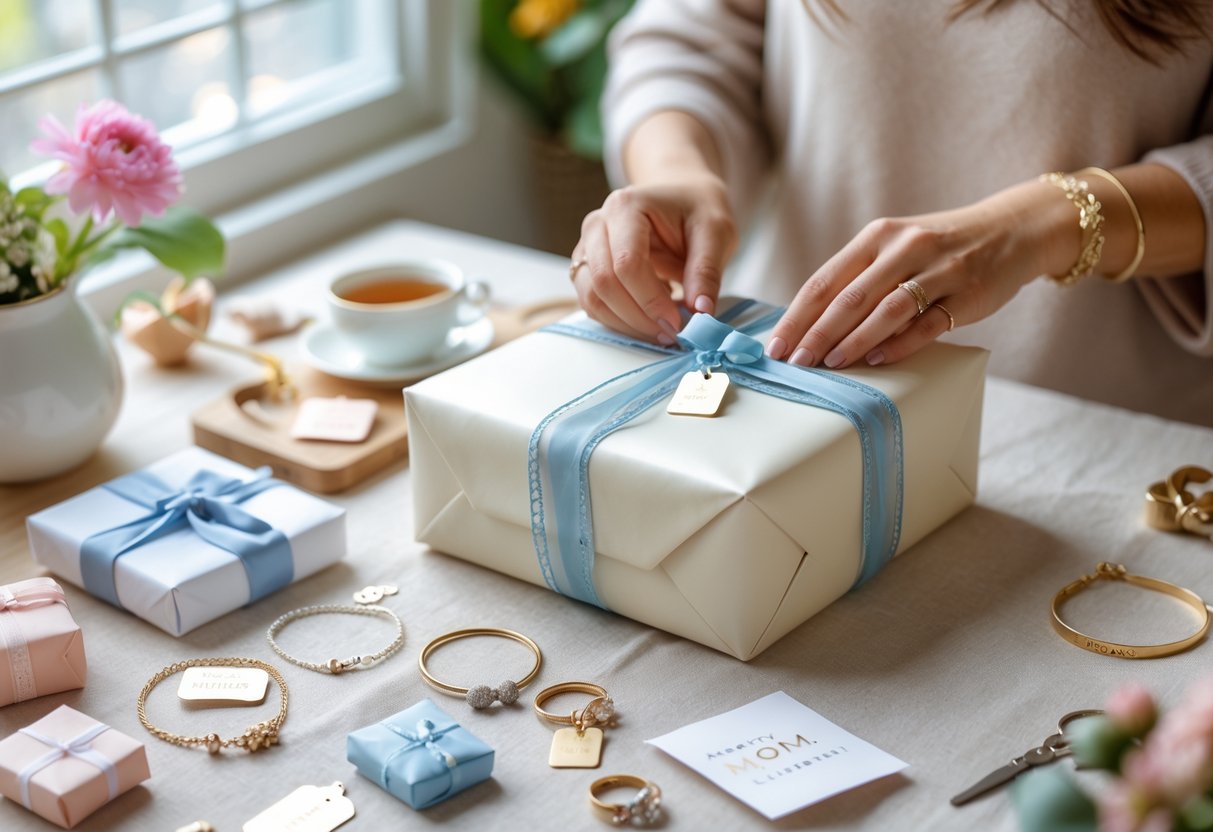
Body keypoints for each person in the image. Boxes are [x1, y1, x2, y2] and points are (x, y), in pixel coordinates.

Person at [569, 0, 1213, 427]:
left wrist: (1042, 225)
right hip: (789, 395)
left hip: (1100, 424)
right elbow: (687, 40)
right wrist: (679, 171)